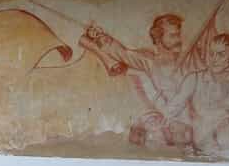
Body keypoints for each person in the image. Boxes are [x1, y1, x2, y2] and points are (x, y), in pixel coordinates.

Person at [81, 13, 195, 149]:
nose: (178, 40)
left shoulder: (189, 61)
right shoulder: (150, 61)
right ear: (159, 39)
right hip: (162, 131)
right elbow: (121, 52)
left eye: (178, 35)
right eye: (173, 36)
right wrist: (99, 36)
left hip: (189, 130)